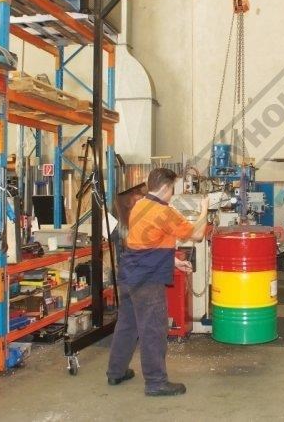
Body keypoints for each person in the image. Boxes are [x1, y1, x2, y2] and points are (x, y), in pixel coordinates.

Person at [107, 168, 209, 396]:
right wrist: (205, 209)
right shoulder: (165, 212)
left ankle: (116, 371)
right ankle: (156, 382)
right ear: (165, 187)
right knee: (153, 329)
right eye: (172, 189)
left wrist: (174, 261)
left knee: (127, 325)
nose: (172, 194)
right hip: (147, 280)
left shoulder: (139, 205)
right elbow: (198, 234)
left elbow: (147, 242)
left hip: (129, 275)